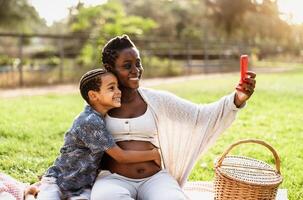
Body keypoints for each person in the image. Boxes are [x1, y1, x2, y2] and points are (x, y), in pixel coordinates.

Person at [90, 35, 256, 200]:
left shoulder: (156, 100)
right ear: (109, 68)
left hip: (153, 179)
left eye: (138, 63)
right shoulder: (98, 106)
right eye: (127, 66)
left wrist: (237, 98)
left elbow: (200, 115)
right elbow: (78, 143)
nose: (136, 70)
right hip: (113, 179)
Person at [36, 69, 161, 200]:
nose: (119, 91)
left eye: (118, 86)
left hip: (83, 186)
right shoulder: (89, 121)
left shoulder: (100, 117)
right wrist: (154, 154)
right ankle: (30, 193)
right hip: (59, 181)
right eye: (111, 88)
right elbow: (121, 156)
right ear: (94, 96)